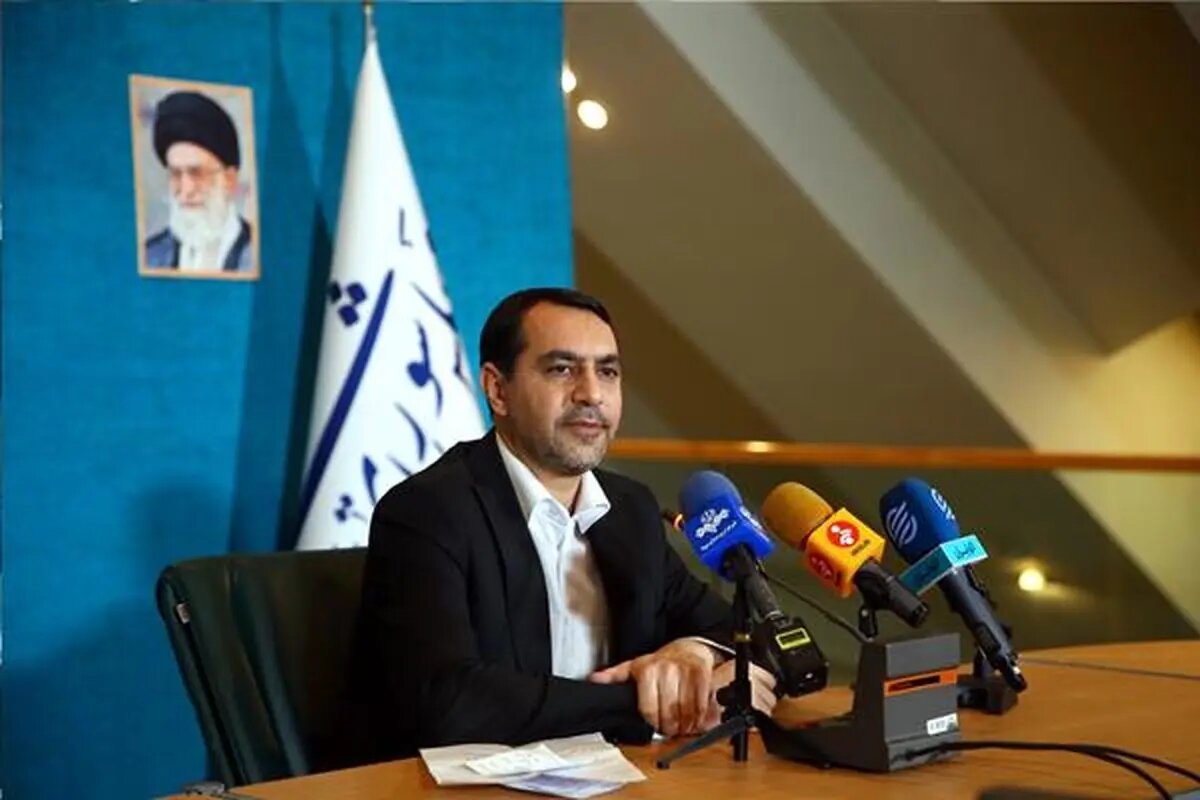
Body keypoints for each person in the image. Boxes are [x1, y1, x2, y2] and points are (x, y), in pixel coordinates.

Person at [346, 287, 777, 762]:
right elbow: (449, 702)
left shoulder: (629, 510)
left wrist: (695, 654)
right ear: (497, 389)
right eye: (561, 369)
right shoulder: (428, 511)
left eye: (607, 371)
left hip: (616, 779)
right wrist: (643, 701)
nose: (591, 394)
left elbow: (764, 640)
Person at [143, 91, 253, 272]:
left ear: (229, 180)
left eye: (197, 173)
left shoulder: (262, 252)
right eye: (176, 174)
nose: (186, 190)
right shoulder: (150, 255)